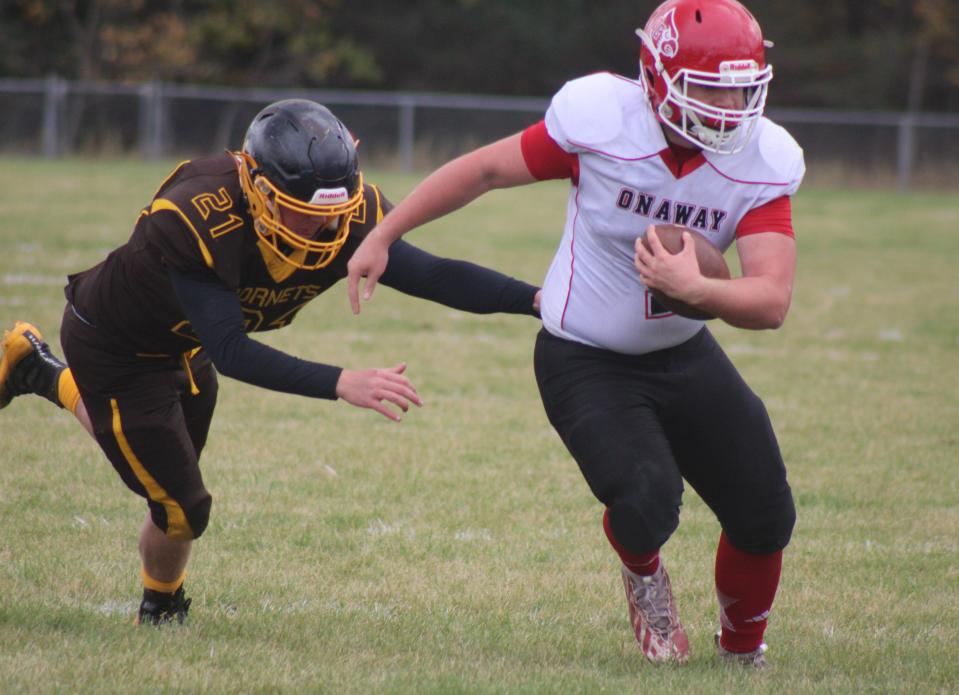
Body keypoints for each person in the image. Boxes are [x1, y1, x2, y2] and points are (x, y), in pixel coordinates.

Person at [345, 0, 802, 667]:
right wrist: (386, 233)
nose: (729, 104)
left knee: (764, 511)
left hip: (682, 351)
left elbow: (770, 299)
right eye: (710, 87)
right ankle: (642, 569)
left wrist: (697, 290)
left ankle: (740, 650)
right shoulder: (602, 124)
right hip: (583, 356)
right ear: (656, 75)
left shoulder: (760, 162)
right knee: (648, 498)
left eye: (740, 85)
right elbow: (484, 170)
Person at [0, 98, 540, 625]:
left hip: (186, 343)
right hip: (116, 347)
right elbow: (231, 351)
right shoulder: (197, 216)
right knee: (182, 507)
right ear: (258, 189)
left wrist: (539, 301)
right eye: (305, 215)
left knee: (170, 469)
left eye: (335, 216)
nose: (325, 231)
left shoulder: (345, 215)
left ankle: (36, 367)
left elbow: (436, 275)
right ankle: (161, 607)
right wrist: (340, 381)